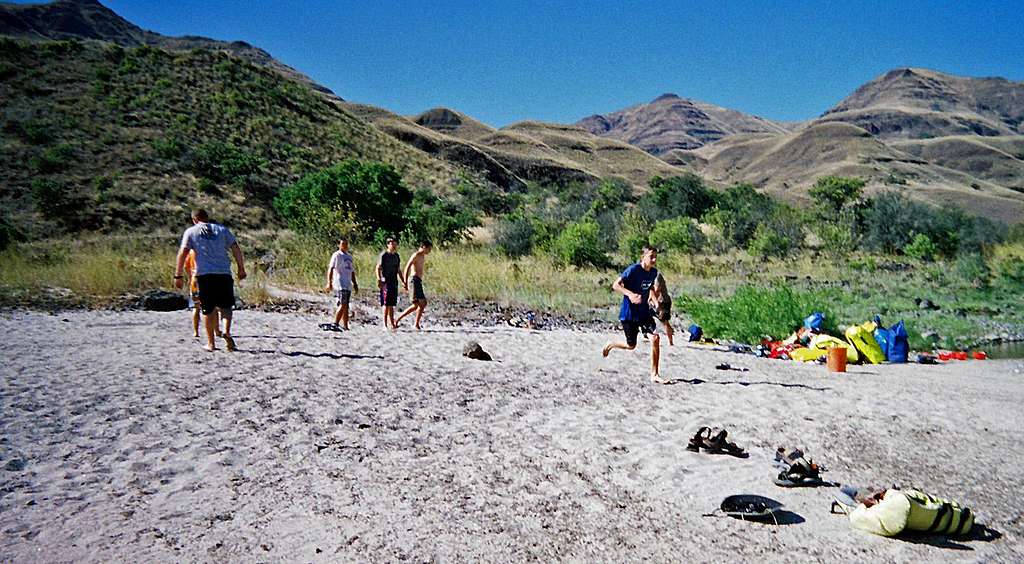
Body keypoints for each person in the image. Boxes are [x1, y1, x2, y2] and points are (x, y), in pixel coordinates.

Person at [174, 209, 246, 352]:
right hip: (223, 273)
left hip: (204, 275)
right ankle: (226, 331)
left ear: (194, 219)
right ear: (207, 217)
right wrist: (241, 268)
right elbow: (236, 248)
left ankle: (211, 343)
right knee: (226, 307)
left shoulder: (191, 232)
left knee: (207, 309)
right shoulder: (222, 229)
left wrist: (178, 275)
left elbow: (183, 253)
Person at [602, 245, 666, 383]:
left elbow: (649, 289)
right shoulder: (633, 270)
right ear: (643, 257)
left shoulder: (653, 272)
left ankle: (654, 374)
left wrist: (656, 303)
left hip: (643, 313)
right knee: (631, 346)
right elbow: (616, 285)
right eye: (651, 256)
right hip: (629, 314)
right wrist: (630, 294)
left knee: (655, 339)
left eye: (656, 257)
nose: (654, 259)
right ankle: (611, 344)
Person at [184, 249, 223, 339]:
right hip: (208, 280)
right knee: (213, 307)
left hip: (195, 281)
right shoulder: (207, 251)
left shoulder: (191, 252)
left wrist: (190, 276)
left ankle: (196, 331)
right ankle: (216, 330)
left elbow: (186, 266)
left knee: (196, 307)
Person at [395, 240, 432, 330]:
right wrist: (404, 282)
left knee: (418, 305)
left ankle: (412, 323)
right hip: (413, 280)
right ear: (423, 247)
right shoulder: (416, 255)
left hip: (418, 280)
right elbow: (407, 267)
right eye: (429, 249)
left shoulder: (423, 256)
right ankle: (403, 320)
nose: (429, 251)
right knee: (422, 303)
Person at [324, 237, 358, 330]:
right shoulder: (336, 255)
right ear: (339, 245)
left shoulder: (349, 257)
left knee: (346, 305)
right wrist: (329, 282)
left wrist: (355, 283)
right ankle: (335, 323)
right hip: (340, 282)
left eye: (346, 244)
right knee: (342, 303)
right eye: (343, 244)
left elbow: (352, 271)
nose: (345, 246)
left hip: (347, 283)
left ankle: (346, 325)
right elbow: (330, 268)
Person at [375, 237, 404, 330]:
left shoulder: (397, 256)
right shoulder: (384, 255)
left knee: (392, 304)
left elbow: (398, 270)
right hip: (385, 281)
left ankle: (392, 323)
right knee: (385, 303)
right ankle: (384, 324)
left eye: (395, 243)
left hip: (394, 281)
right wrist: (379, 278)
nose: (393, 245)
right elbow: (378, 267)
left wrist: (403, 281)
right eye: (391, 243)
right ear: (388, 245)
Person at [650, 272, 674, 346]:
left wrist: (652, 299)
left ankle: (670, 342)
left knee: (665, 322)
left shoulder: (657, 276)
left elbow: (657, 289)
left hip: (663, 301)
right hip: (659, 301)